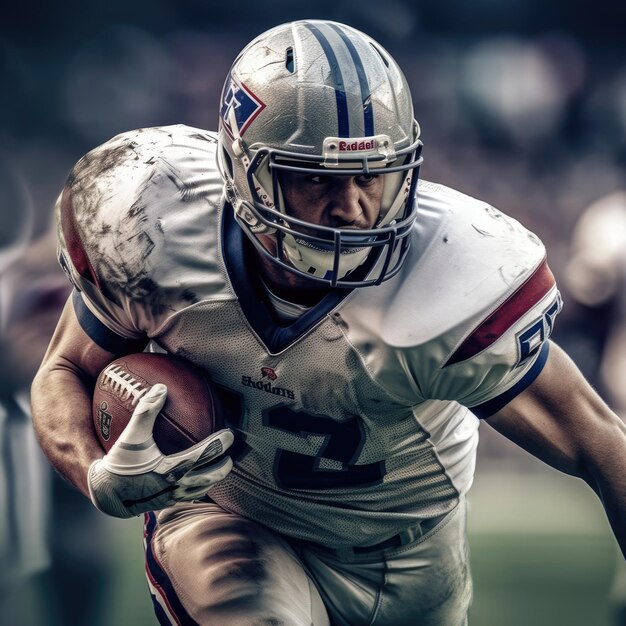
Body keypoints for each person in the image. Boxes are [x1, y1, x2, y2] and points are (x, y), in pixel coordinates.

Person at [31, 20, 626, 626]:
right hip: (232, 519)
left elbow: (599, 440)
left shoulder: (453, 271)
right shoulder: (152, 215)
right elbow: (63, 369)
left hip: (411, 553)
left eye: (372, 174)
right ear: (242, 172)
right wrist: (95, 472)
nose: (352, 207)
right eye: (316, 176)